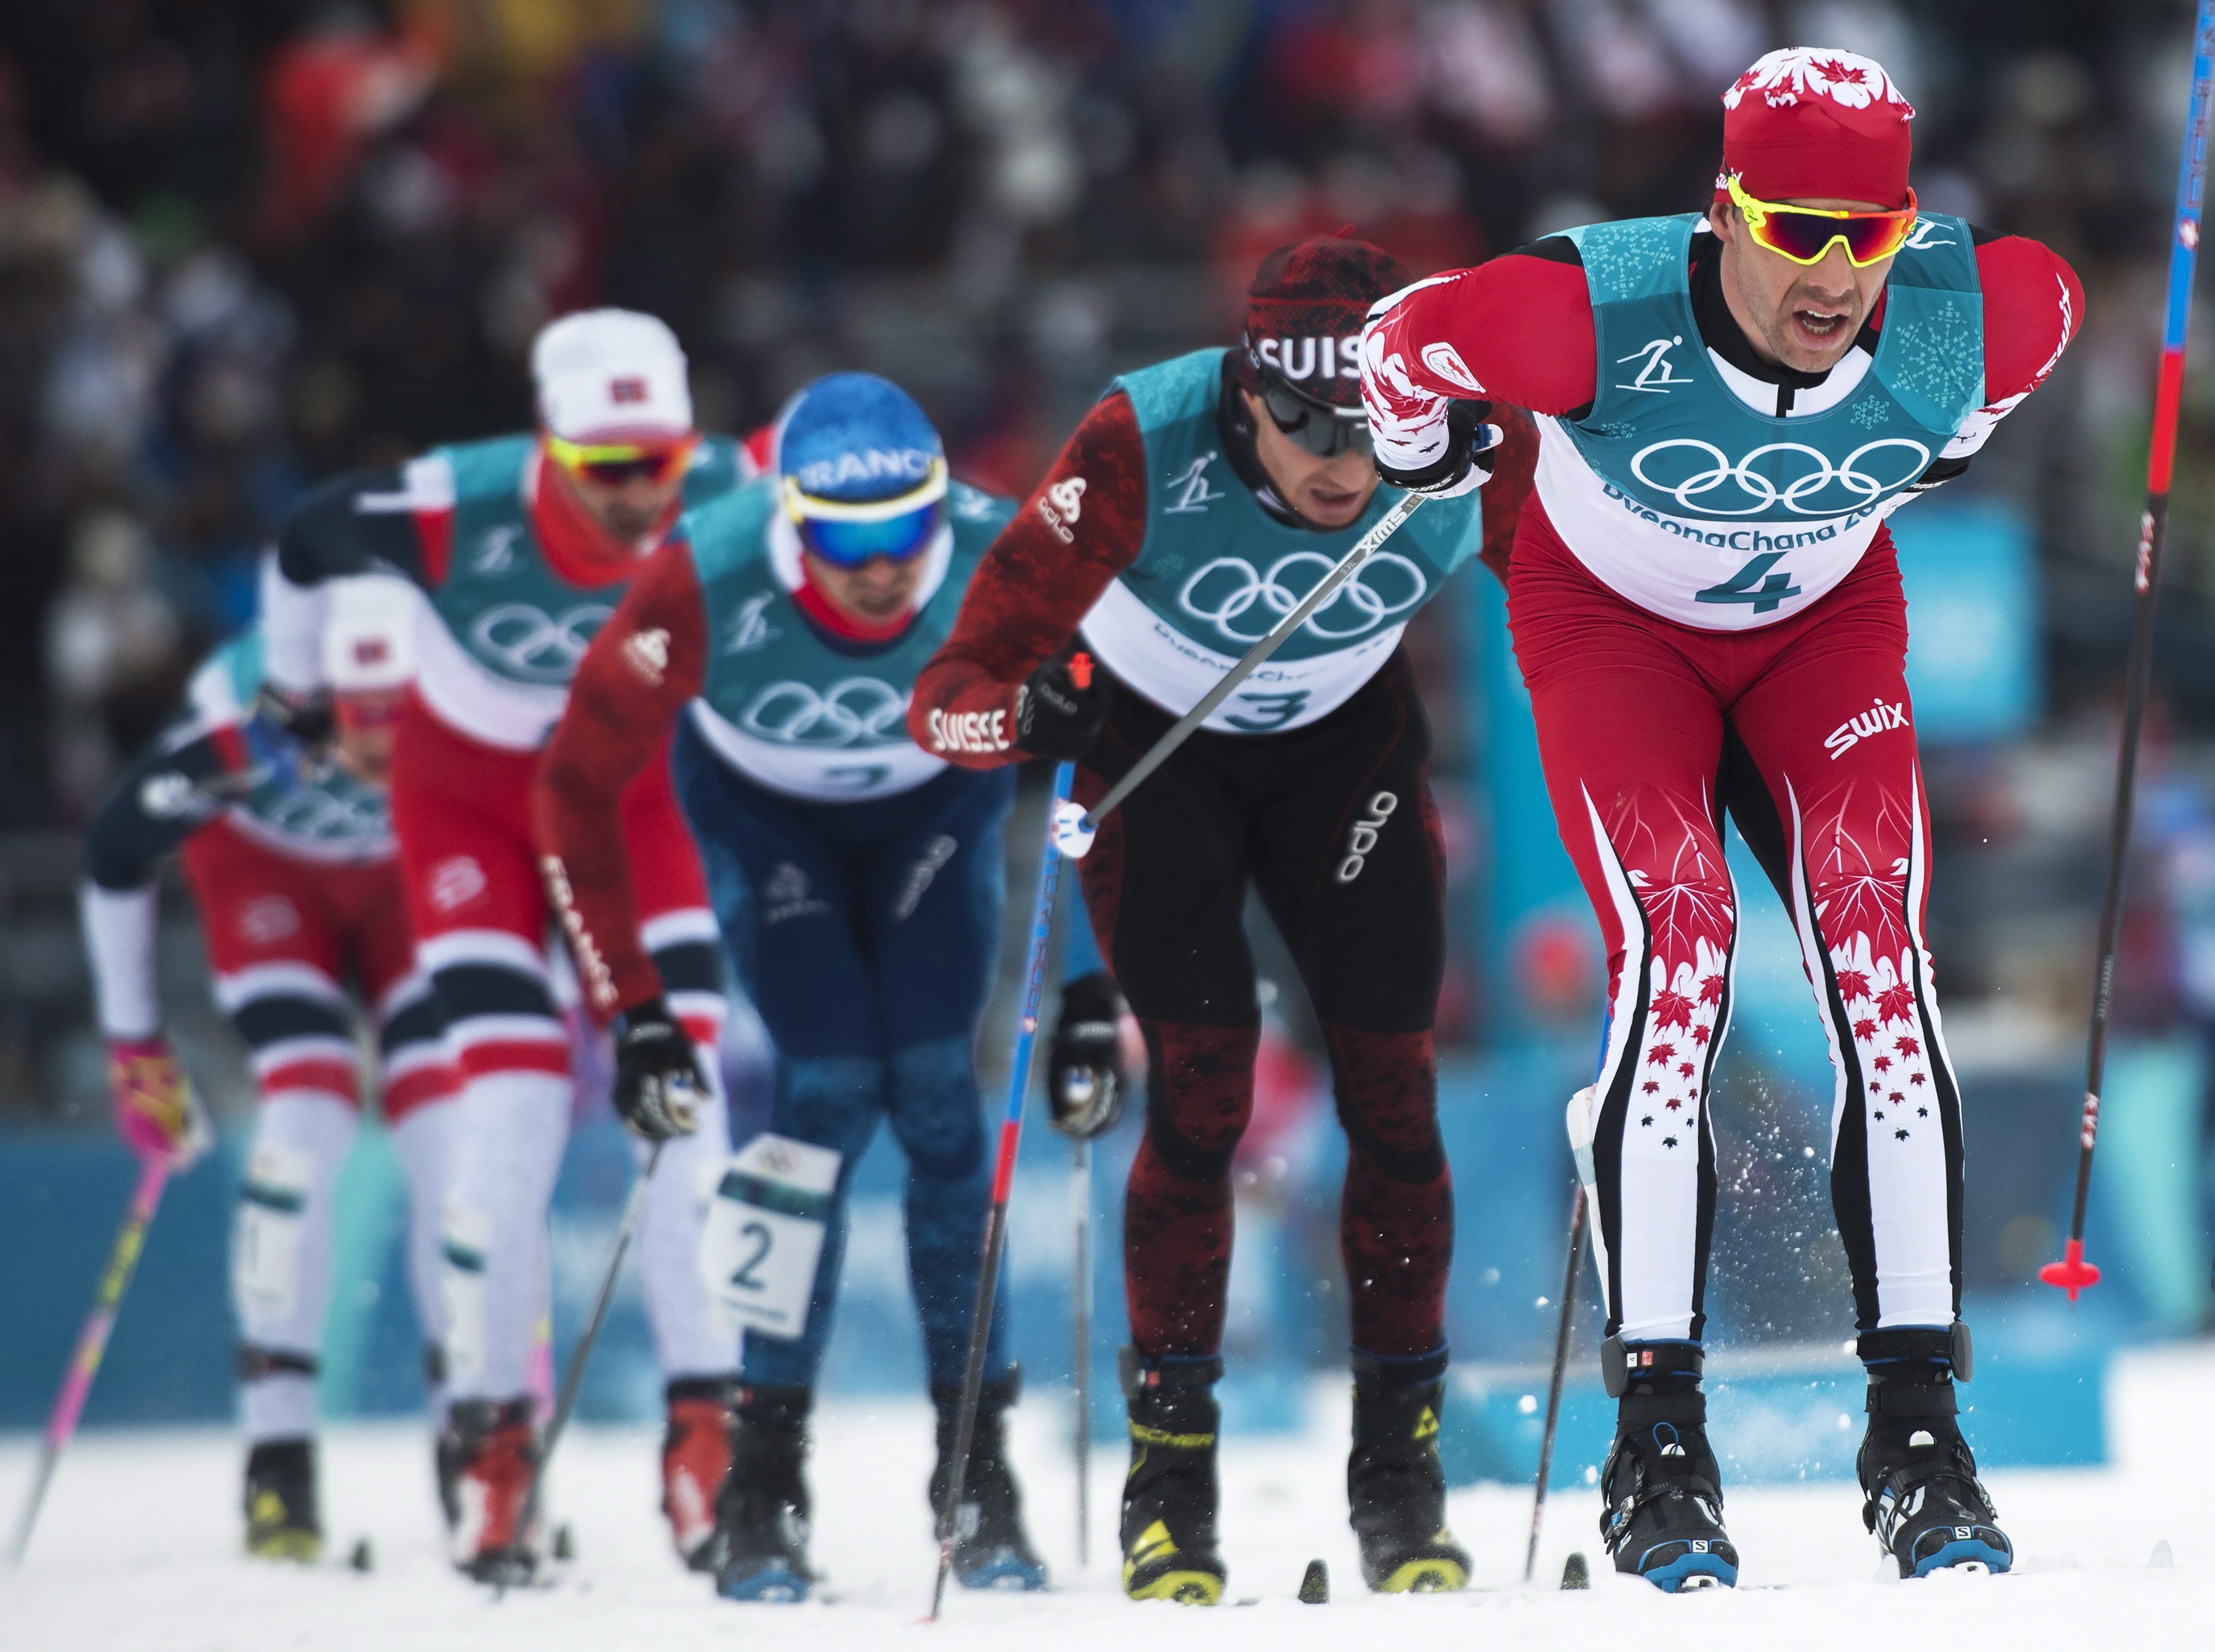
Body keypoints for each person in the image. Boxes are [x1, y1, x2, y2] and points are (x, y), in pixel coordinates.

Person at [1361, 46, 2084, 1588]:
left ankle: (1917, 1433)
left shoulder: (1988, 309)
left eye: (1868, 234)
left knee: (1882, 967)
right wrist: (1430, 456)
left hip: (1822, 635)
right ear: (1722, 210)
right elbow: (1395, 345)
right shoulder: (1578, 310)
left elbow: (2001, 379)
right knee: (1678, 954)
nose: (1833, 273)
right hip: (1613, 634)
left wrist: (1927, 438)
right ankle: (1659, 1441)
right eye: (1795, 227)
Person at [908, 236, 1538, 1603]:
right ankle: (1170, 1497)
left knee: (1396, 1098)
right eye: (1306, 423)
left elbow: (1609, 594)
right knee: (1200, 1101)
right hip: (1156, 751)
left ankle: (1400, 1483)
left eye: (1378, 430)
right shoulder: (1143, 433)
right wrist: (1032, 716)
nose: (1345, 464)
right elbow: (946, 691)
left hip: (1343, 752)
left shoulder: (1483, 439)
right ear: (1246, 392)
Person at [257, 309, 756, 1579]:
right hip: (469, 798)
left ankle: (711, 1438)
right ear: (551, 448)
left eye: (661, 457)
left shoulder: (725, 483)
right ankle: (494, 1446)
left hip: (635, 796)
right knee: (512, 1111)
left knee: (686, 1113)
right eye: (610, 469)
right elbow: (308, 538)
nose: (646, 492)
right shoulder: (453, 502)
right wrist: (297, 691)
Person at [535, 373, 1046, 1602]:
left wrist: (1092, 981)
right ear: (787, 517)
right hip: (770, 823)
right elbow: (571, 786)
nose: (878, 568)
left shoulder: (1004, 553)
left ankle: (976, 1468)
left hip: (936, 804)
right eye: (842, 539)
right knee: (819, 1101)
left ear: (942, 510)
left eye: (903, 531)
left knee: (935, 1096)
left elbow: (1122, 734)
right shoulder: (703, 577)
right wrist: (636, 1008)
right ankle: (765, 1481)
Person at [79, 578, 455, 1562]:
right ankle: (278, 1455)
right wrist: (136, 1045)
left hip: (403, 878)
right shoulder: (242, 722)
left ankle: (480, 1436)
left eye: (405, 718)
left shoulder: (467, 684)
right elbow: (115, 850)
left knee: (451, 1134)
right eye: (367, 721)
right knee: (307, 1113)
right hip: (264, 868)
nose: (384, 745)